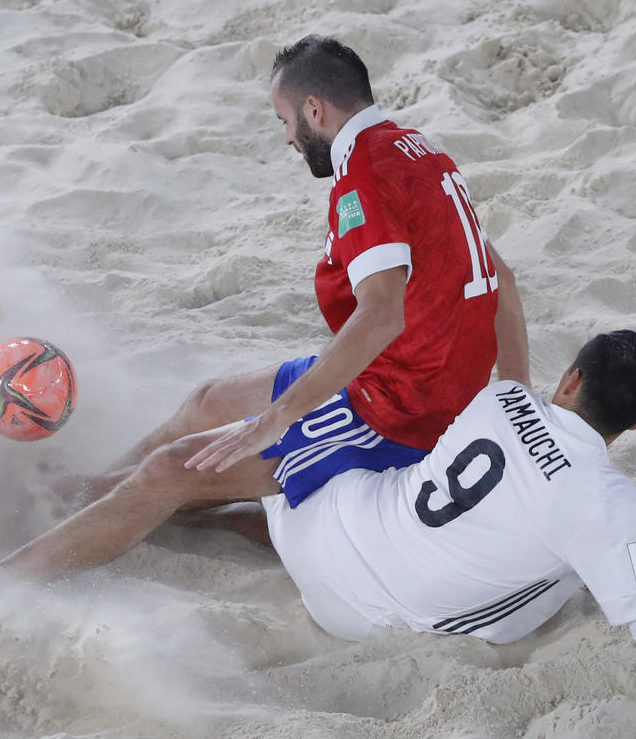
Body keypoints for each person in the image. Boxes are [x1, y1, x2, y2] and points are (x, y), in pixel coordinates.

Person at [2, 330, 636, 655]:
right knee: (556, 562)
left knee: (354, 467)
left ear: (567, 379)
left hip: (328, 541)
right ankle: (185, 511)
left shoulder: (500, 398)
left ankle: (91, 510)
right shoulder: (607, 503)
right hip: (380, 628)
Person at [62, 34, 528, 525]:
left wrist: (278, 417)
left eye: (285, 121)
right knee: (207, 401)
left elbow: (380, 317)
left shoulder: (366, 176)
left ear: (313, 110)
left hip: (402, 410)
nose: (287, 138)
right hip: (394, 373)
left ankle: (73, 508)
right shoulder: (420, 149)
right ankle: (88, 488)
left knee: (182, 477)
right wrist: (518, 404)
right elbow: (506, 282)